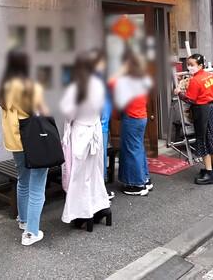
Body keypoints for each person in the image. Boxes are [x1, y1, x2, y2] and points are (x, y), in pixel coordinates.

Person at [0, 50, 49, 246]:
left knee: (23, 179)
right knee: (38, 184)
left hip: (15, 141)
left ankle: (23, 220)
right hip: (33, 140)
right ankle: (31, 233)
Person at [59, 53, 111, 230]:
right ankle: (101, 206)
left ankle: (83, 213)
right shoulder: (98, 85)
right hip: (94, 130)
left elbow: (68, 112)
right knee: (94, 174)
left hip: (81, 133)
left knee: (79, 177)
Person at [175, 54, 213, 185]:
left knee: (204, 140)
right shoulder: (210, 76)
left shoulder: (195, 80)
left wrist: (179, 93)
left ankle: (209, 173)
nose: (190, 67)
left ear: (200, 65)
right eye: (188, 65)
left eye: (192, 65)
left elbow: (190, 99)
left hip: (202, 111)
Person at [112, 51, 153, 196]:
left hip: (132, 117)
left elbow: (111, 83)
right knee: (138, 148)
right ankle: (144, 179)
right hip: (141, 115)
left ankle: (135, 185)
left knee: (131, 149)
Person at [91, 49, 115, 200]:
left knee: (98, 157)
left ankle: (99, 189)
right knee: (99, 157)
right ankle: (100, 191)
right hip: (98, 125)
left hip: (98, 124)